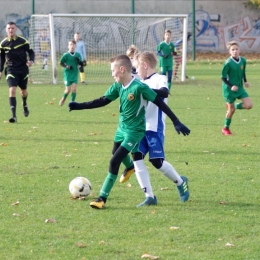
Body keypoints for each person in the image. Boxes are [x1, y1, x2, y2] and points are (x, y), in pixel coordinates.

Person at [68, 54, 190, 209]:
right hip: (123, 129)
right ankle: (148, 195)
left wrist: (176, 121)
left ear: (122, 69)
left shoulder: (144, 84)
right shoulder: (122, 84)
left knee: (149, 162)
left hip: (143, 130)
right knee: (124, 155)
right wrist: (79, 106)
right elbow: (103, 100)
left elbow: (161, 98)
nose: (112, 74)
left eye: (113, 71)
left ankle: (102, 198)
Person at [119, 51, 189, 206]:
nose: (136, 71)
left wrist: (146, 91)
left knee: (157, 161)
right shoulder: (138, 81)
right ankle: (150, 196)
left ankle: (180, 182)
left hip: (154, 128)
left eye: (137, 67)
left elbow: (164, 92)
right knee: (136, 157)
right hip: (139, 129)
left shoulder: (159, 79)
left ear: (145, 65)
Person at [0, 21, 35, 123]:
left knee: (23, 92)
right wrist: (0, 70)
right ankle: (14, 116)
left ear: (16, 29)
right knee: (12, 90)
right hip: (11, 69)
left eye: (13, 28)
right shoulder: (3, 44)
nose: (11, 30)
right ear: (6, 30)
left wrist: (31, 60)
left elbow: (31, 52)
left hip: (23, 69)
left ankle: (24, 103)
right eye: (9, 28)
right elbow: (1, 58)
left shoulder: (23, 41)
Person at [221, 41, 253, 136]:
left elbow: (243, 71)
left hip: (239, 87)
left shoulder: (243, 60)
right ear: (229, 52)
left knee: (249, 105)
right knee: (231, 111)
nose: (235, 51)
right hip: (228, 89)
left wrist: (245, 81)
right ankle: (225, 128)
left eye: (236, 49)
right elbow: (223, 77)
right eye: (232, 50)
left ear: (240, 50)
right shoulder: (228, 63)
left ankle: (234, 105)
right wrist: (231, 86)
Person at [59, 40, 83, 106]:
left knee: (74, 89)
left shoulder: (78, 55)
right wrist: (67, 66)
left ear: (75, 46)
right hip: (67, 75)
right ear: (68, 46)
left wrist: (79, 62)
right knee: (68, 90)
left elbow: (81, 64)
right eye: (70, 44)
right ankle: (63, 99)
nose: (72, 46)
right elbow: (61, 63)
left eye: (73, 45)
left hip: (75, 74)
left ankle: (72, 103)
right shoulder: (65, 55)